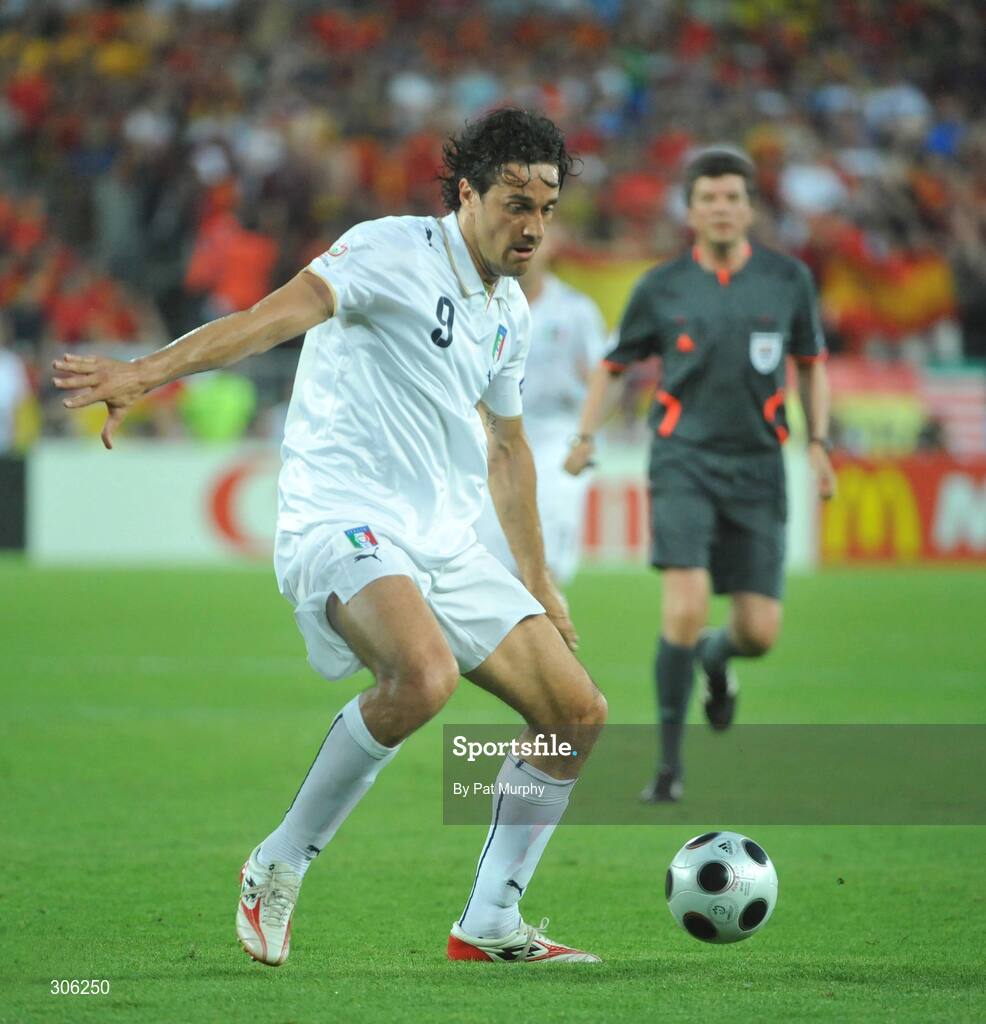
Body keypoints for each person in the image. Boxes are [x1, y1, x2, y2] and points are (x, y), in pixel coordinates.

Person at [53, 108, 607, 964]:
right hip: (341, 515)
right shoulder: (388, 251)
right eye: (515, 204)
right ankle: (277, 862)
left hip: (444, 541)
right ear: (467, 194)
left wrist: (538, 580)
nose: (533, 226)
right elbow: (265, 320)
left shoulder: (511, 312)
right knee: (422, 676)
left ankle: (491, 921)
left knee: (575, 714)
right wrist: (146, 371)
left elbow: (507, 449)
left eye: (546, 208)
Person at [565, 147, 834, 803]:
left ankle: (718, 658)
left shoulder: (787, 280)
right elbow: (614, 365)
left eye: (732, 198)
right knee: (683, 608)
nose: (721, 208)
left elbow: (810, 363)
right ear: (689, 211)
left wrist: (820, 443)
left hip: (759, 465)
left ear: (750, 209)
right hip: (682, 459)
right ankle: (668, 767)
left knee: (758, 634)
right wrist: (585, 435)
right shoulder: (661, 287)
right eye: (708, 198)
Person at [474, 234, 608, 585]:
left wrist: (586, 437)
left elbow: (603, 376)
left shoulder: (575, 310)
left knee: (544, 562)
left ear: (552, 248)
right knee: (491, 560)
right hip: (496, 438)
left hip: (556, 437)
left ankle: (546, 615)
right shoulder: (483, 306)